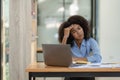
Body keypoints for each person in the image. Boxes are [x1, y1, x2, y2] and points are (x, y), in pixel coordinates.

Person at [58, 15, 102, 80]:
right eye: (74, 31)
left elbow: (98, 57)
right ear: (71, 35)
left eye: (79, 28)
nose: (79, 33)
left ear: (83, 28)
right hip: (71, 73)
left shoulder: (91, 41)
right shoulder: (69, 42)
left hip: (86, 72)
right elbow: (61, 58)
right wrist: (65, 36)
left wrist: (77, 59)